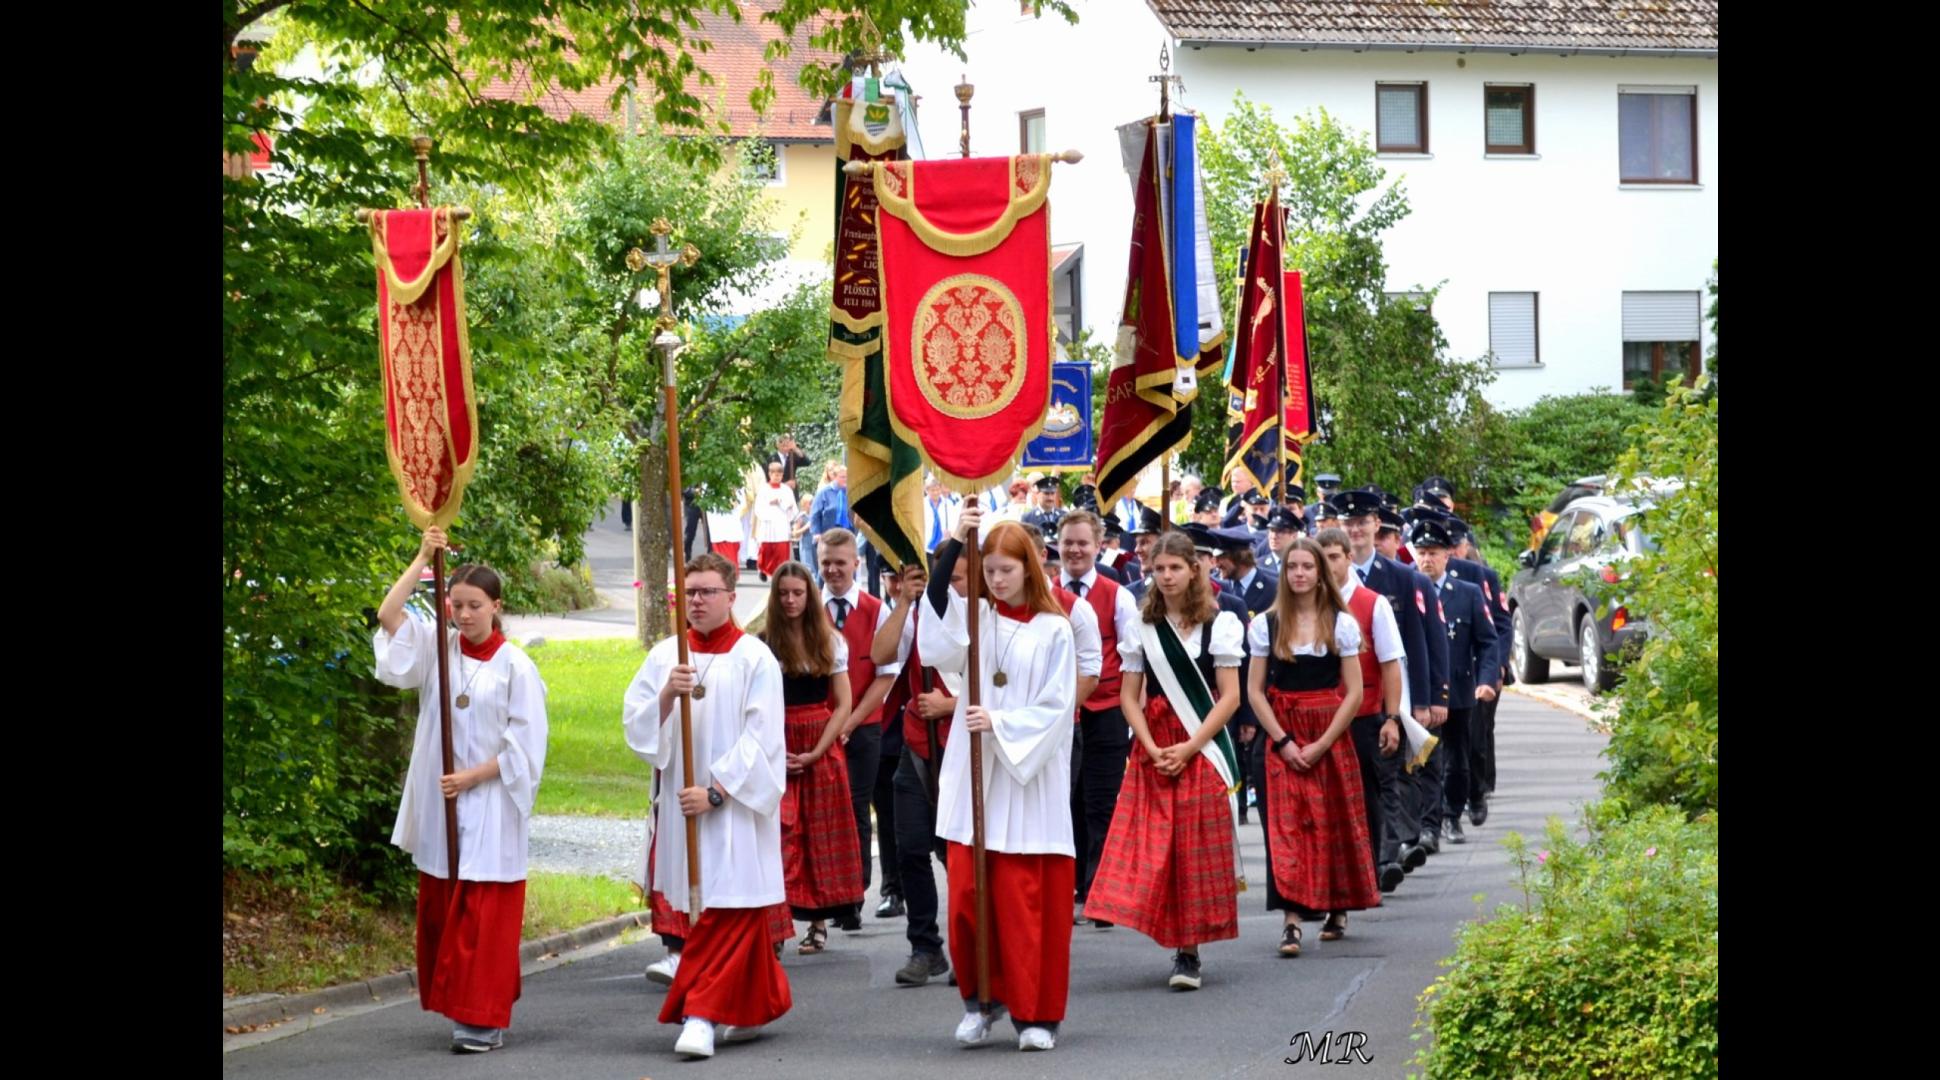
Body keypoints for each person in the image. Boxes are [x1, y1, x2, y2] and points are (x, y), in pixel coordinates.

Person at [374, 527, 548, 1054]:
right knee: (446, 909)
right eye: (455, 605)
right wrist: (423, 557)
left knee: (484, 916)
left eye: (474, 605)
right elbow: (388, 616)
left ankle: (482, 1018)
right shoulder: (439, 649)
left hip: (491, 801)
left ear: (496, 606)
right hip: (443, 805)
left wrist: (472, 777)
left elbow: (526, 746)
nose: (463, 615)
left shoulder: (517, 666)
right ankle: (465, 1008)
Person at [623, 552, 793, 1060]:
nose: (695, 601)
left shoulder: (754, 659)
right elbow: (636, 727)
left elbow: (762, 738)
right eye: (688, 592)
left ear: (730, 596)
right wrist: (667, 699)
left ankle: (700, 1013)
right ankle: (759, 1002)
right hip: (683, 809)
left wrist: (717, 791)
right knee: (705, 908)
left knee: (728, 910)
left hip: (733, 810)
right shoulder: (664, 656)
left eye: (706, 592)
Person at [920, 507, 1078, 1052]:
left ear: (1029, 569)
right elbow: (935, 640)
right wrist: (952, 549)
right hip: (976, 781)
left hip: (1025, 782)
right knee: (967, 899)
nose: (996, 579)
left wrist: (1001, 723)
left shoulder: (1056, 629)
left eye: (1006, 569)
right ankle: (980, 1001)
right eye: (988, 570)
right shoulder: (976, 621)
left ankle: (1036, 1015)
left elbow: (1058, 708)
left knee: (1024, 903)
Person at [1083, 530, 1244, 990]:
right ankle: (1169, 933)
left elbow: (1229, 697)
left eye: (1175, 567)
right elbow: (1130, 695)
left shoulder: (1220, 623)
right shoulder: (1142, 627)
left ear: (1194, 569)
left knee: (1191, 846)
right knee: (1155, 847)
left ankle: (1189, 950)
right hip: (1155, 744)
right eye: (1159, 569)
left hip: (1200, 743)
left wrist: (1191, 747)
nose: (1167, 576)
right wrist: (1151, 746)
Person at [1245, 535, 1379, 957]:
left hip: (1329, 729)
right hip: (1283, 730)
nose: (1299, 574)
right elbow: (1254, 692)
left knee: (1332, 821)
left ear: (1321, 572)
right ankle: (1291, 920)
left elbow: (1353, 693)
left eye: (1307, 566)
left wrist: (1322, 743)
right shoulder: (1266, 624)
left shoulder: (1339, 623)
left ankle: (1337, 904)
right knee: (1286, 828)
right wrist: (1283, 742)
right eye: (1291, 567)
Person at [759, 562, 863, 954]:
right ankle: (776, 924)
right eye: (783, 593)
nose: (790, 600)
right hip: (778, 738)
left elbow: (844, 703)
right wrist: (774, 748)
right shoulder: (764, 643)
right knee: (781, 835)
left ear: (810, 595)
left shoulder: (830, 642)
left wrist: (819, 750)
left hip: (820, 739)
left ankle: (818, 923)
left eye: (797, 593)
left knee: (819, 834)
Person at [875, 558, 961, 986]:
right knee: (910, 849)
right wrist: (905, 600)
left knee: (959, 855)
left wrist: (951, 706)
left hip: (966, 748)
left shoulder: (986, 616)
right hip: (917, 745)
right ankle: (925, 946)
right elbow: (880, 653)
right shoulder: (916, 614)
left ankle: (972, 945)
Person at [1055, 511, 1142, 928]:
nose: (1074, 550)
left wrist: (1132, 713)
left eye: (1083, 543)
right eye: (1068, 542)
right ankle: (1070, 888)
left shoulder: (1117, 595)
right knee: (1064, 802)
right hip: (1056, 714)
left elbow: (1133, 658)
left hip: (1105, 709)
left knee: (1101, 802)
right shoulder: (1043, 592)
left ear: (1099, 546)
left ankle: (1100, 892)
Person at [1315, 524, 1408, 896]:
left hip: (1365, 714)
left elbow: (1391, 663)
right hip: (1319, 716)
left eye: (1334, 558)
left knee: (1367, 795)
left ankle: (1370, 868)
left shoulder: (1373, 603)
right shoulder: (1309, 602)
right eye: (1321, 560)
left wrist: (1393, 717)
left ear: (1348, 558)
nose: (1328, 566)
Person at [817, 528, 901, 929]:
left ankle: (852, 895)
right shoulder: (805, 606)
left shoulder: (875, 610)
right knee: (819, 812)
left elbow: (886, 675)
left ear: (855, 563)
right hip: (815, 727)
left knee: (854, 807)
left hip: (864, 726)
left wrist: (849, 723)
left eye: (840, 563)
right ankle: (822, 891)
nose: (833, 570)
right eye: (826, 563)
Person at [1406, 514, 1498, 848]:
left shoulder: (1468, 593)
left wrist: (1487, 678)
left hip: (1459, 689)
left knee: (1459, 757)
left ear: (1448, 555)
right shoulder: (1407, 589)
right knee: (1423, 757)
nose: (1427, 559)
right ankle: (1426, 824)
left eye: (1433, 552)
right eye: (1421, 552)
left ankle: (1451, 815)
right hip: (1419, 690)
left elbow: (1488, 640)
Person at [753, 462, 800, 582]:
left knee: (781, 551)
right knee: (766, 550)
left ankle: (780, 572)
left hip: (781, 524)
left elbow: (792, 507)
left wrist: (780, 502)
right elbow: (758, 508)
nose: (776, 477)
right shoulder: (763, 489)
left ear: (782, 475)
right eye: (774, 474)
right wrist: (769, 506)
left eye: (779, 474)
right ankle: (763, 570)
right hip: (768, 524)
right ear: (769, 474)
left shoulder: (786, 490)